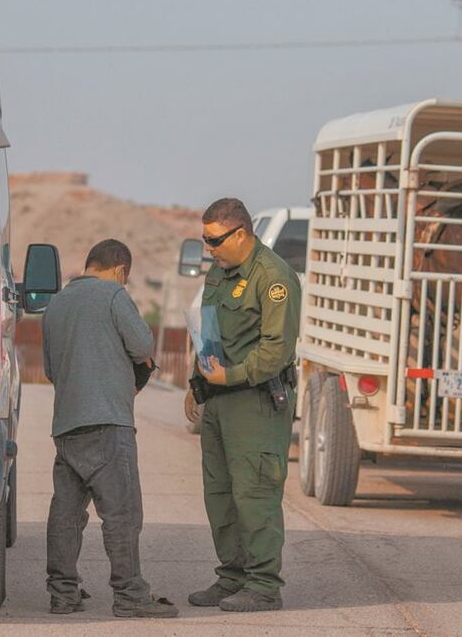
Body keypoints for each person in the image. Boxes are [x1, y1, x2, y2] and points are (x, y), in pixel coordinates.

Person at [41, 238, 178, 619]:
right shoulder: (114, 296)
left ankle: (63, 594)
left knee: (66, 514)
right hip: (109, 424)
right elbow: (142, 343)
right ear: (120, 270)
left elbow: (52, 370)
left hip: (67, 426)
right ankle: (131, 595)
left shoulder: (56, 305)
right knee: (121, 514)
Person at [184, 198, 301, 612]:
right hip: (218, 399)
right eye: (205, 240)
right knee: (221, 494)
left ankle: (264, 585)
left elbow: (276, 352)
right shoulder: (220, 271)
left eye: (214, 240)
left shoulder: (273, 277)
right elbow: (209, 330)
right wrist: (197, 382)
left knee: (254, 494)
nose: (209, 249)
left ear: (240, 234)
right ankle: (232, 578)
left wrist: (228, 377)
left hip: (255, 401)